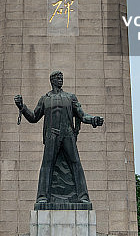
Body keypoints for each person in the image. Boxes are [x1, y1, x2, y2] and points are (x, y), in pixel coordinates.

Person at [14, 70, 104, 205]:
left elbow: (82, 115)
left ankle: (82, 196)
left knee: (75, 163)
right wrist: (22, 107)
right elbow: (33, 117)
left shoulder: (70, 97)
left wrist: (93, 120)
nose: (60, 79)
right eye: (57, 78)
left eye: (61, 77)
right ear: (52, 80)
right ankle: (43, 196)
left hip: (67, 133)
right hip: (52, 134)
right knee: (47, 165)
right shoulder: (45, 99)